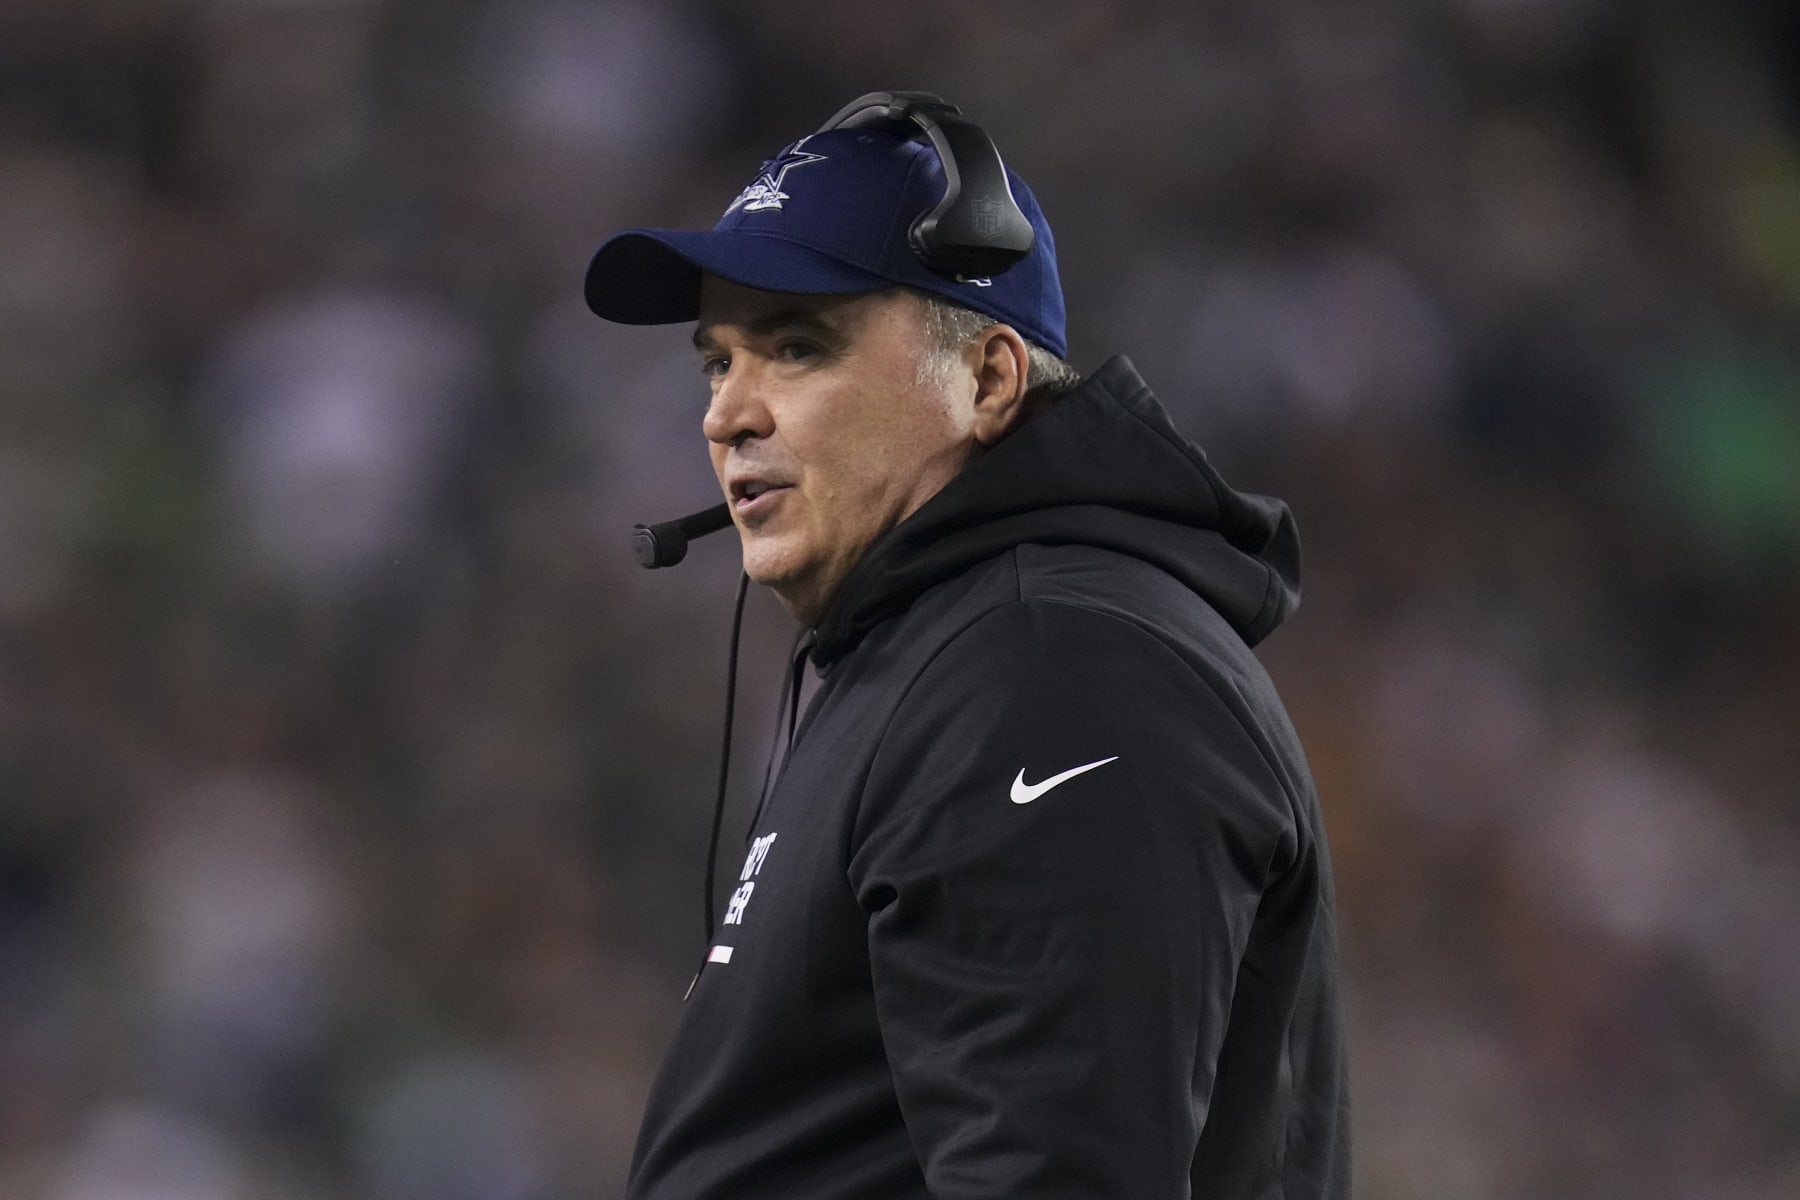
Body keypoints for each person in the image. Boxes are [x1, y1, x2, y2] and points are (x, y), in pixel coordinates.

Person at [584, 93, 1349, 1199]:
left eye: (798, 348)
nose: (727, 415)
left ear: (988, 378)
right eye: (717, 362)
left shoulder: (1056, 668)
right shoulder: (957, 651)